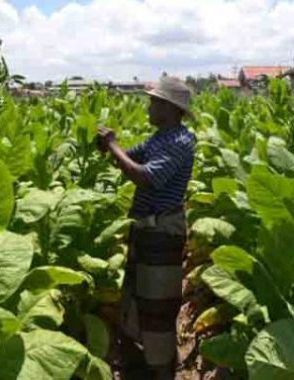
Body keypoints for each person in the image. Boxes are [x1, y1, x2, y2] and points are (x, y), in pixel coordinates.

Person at [96, 76, 196, 380]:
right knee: (139, 299)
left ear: (169, 107)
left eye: (154, 101)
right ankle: (144, 365)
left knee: (157, 306)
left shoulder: (179, 141)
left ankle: (163, 371)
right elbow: (129, 159)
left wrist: (113, 144)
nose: (148, 106)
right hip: (146, 232)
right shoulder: (160, 138)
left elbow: (144, 177)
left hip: (162, 233)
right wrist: (108, 147)